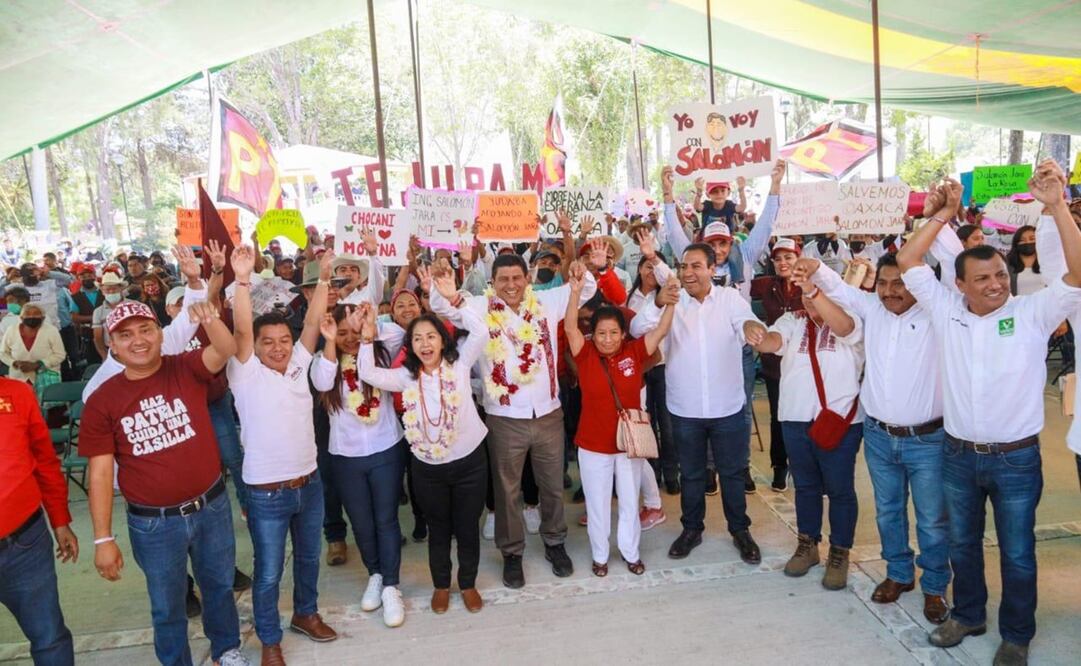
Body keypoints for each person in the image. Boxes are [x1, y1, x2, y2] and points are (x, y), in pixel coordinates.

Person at [897, 164, 1081, 665]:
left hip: (1016, 460)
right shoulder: (945, 310)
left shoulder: (1032, 312)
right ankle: (968, 615)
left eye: (1000, 274)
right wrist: (943, 214)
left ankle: (1017, 635)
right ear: (959, 285)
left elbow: (1078, 273)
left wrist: (1057, 206)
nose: (997, 284)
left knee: (1018, 553)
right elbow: (908, 258)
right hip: (958, 455)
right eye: (982, 278)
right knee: (963, 544)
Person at [79, 299, 249, 666]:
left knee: (219, 587)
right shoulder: (102, 400)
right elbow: (101, 473)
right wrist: (102, 538)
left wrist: (210, 317)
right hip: (154, 524)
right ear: (112, 346)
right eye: (126, 335)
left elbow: (225, 349)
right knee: (167, 605)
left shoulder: (184, 367)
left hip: (211, 506)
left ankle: (226, 651)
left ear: (160, 334)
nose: (138, 340)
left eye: (146, 330)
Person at [430, 246, 600, 589]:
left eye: (517, 278)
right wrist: (442, 287)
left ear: (528, 279)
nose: (511, 285)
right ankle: (511, 554)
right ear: (492, 282)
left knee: (552, 485)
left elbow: (586, 289)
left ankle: (555, 543)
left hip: (548, 414)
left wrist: (586, 269)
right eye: (503, 279)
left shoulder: (547, 302)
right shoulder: (479, 306)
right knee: (506, 490)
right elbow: (442, 305)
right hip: (504, 417)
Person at [797, 252, 950, 623]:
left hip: (927, 441)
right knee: (888, 511)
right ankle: (899, 574)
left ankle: (934, 586)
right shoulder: (873, 310)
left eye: (899, 284)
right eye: (882, 283)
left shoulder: (938, 314)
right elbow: (841, 290)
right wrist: (816, 269)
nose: (889, 291)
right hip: (879, 437)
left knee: (931, 519)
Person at [228, 246, 338, 663]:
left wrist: (323, 277)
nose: (278, 348)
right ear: (255, 347)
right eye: (268, 342)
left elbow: (311, 321)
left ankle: (306, 614)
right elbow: (241, 330)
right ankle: (270, 640)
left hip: (309, 484)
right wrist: (242, 279)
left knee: (309, 558)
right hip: (266, 493)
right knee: (269, 572)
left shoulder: (297, 364)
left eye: (284, 341)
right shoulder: (245, 372)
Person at [357, 266, 490, 614]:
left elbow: (479, 330)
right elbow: (367, 372)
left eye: (432, 336)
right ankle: (442, 585)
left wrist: (453, 299)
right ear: (411, 346)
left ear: (443, 341)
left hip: (470, 463)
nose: (426, 344)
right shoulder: (405, 377)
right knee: (438, 529)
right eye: (418, 339)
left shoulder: (460, 364)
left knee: (467, 528)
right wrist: (367, 339)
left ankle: (468, 583)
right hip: (428, 469)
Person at [630, 242, 765, 563]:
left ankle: (740, 530)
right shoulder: (672, 301)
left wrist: (751, 328)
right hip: (685, 409)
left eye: (695, 266)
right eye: (683, 266)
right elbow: (637, 329)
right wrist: (657, 302)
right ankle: (692, 529)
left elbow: (745, 321)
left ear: (712, 269)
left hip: (727, 408)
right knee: (691, 474)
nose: (688, 273)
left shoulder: (729, 299)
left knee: (732, 474)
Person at [565, 264, 676, 577]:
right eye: (601, 333)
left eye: (614, 332)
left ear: (623, 333)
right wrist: (574, 293)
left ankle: (631, 553)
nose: (608, 339)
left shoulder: (634, 352)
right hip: (592, 446)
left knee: (629, 501)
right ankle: (600, 557)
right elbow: (570, 328)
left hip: (628, 445)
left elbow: (660, 331)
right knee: (597, 505)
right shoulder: (585, 353)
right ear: (593, 335)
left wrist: (671, 302)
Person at [312, 302, 407, 628]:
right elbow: (322, 383)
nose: (350, 339)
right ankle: (375, 574)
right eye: (343, 333)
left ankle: (391, 585)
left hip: (386, 449)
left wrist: (369, 329)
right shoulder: (324, 361)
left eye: (354, 332)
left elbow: (400, 334)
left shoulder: (379, 352)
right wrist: (329, 341)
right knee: (362, 523)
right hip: (346, 457)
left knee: (386, 519)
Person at [1, 375, 79, 666]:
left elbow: (44, 460)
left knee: (49, 638)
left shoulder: (18, 394)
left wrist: (60, 520)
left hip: (25, 545)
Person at [750, 237, 805, 491]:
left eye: (788, 257)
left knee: (805, 416)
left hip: (803, 365)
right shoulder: (766, 285)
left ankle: (805, 467)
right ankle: (779, 467)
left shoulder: (811, 286)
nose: (783, 263)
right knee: (778, 416)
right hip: (774, 364)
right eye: (778, 258)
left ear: (799, 259)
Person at [0, 303, 66, 385]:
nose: (31, 316)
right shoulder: (11, 330)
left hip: (46, 379)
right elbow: (2, 353)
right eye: (27, 314)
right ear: (21, 317)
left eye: (36, 314)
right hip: (18, 379)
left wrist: (38, 364)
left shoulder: (52, 331)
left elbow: (60, 355)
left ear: (43, 317)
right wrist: (14, 363)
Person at [1005, 225, 1043, 296]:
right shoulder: (1006, 264)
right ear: (1016, 243)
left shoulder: (1048, 262)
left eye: (1032, 239)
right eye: (1022, 240)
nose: (1027, 242)